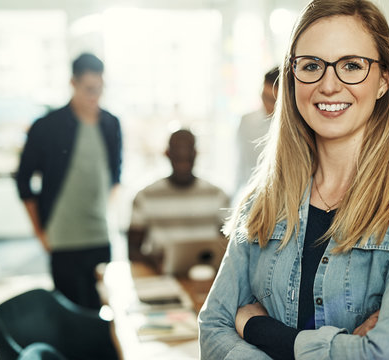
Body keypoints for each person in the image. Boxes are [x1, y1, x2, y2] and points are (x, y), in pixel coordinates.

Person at [198, 0, 389, 359]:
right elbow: (212, 329)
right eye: (311, 66)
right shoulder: (263, 199)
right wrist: (345, 347)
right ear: (292, 77)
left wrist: (259, 329)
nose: (328, 85)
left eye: (351, 66)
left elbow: (388, 354)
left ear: (384, 80)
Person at [16, 53, 122, 310]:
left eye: (99, 89)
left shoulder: (111, 124)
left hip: (99, 237)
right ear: (73, 84)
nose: (94, 95)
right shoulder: (47, 126)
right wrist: (39, 231)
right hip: (62, 237)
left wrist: (103, 212)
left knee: (103, 312)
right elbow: (23, 179)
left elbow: (115, 176)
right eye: (88, 89)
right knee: (69, 315)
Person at [128, 129, 229, 270]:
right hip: (161, 275)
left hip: (206, 275)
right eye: (178, 158)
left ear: (195, 154)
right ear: (167, 154)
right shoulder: (145, 196)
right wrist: (153, 261)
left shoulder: (217, 194)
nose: (183, 164)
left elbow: (230, 245)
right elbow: (132, 250)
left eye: (187, 159)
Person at [235, 66, 280, 194]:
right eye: (264, 96)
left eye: (272, 100)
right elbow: (240, 167)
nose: (266, 104)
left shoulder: (299, 127)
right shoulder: (247, 122)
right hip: (253, 196)